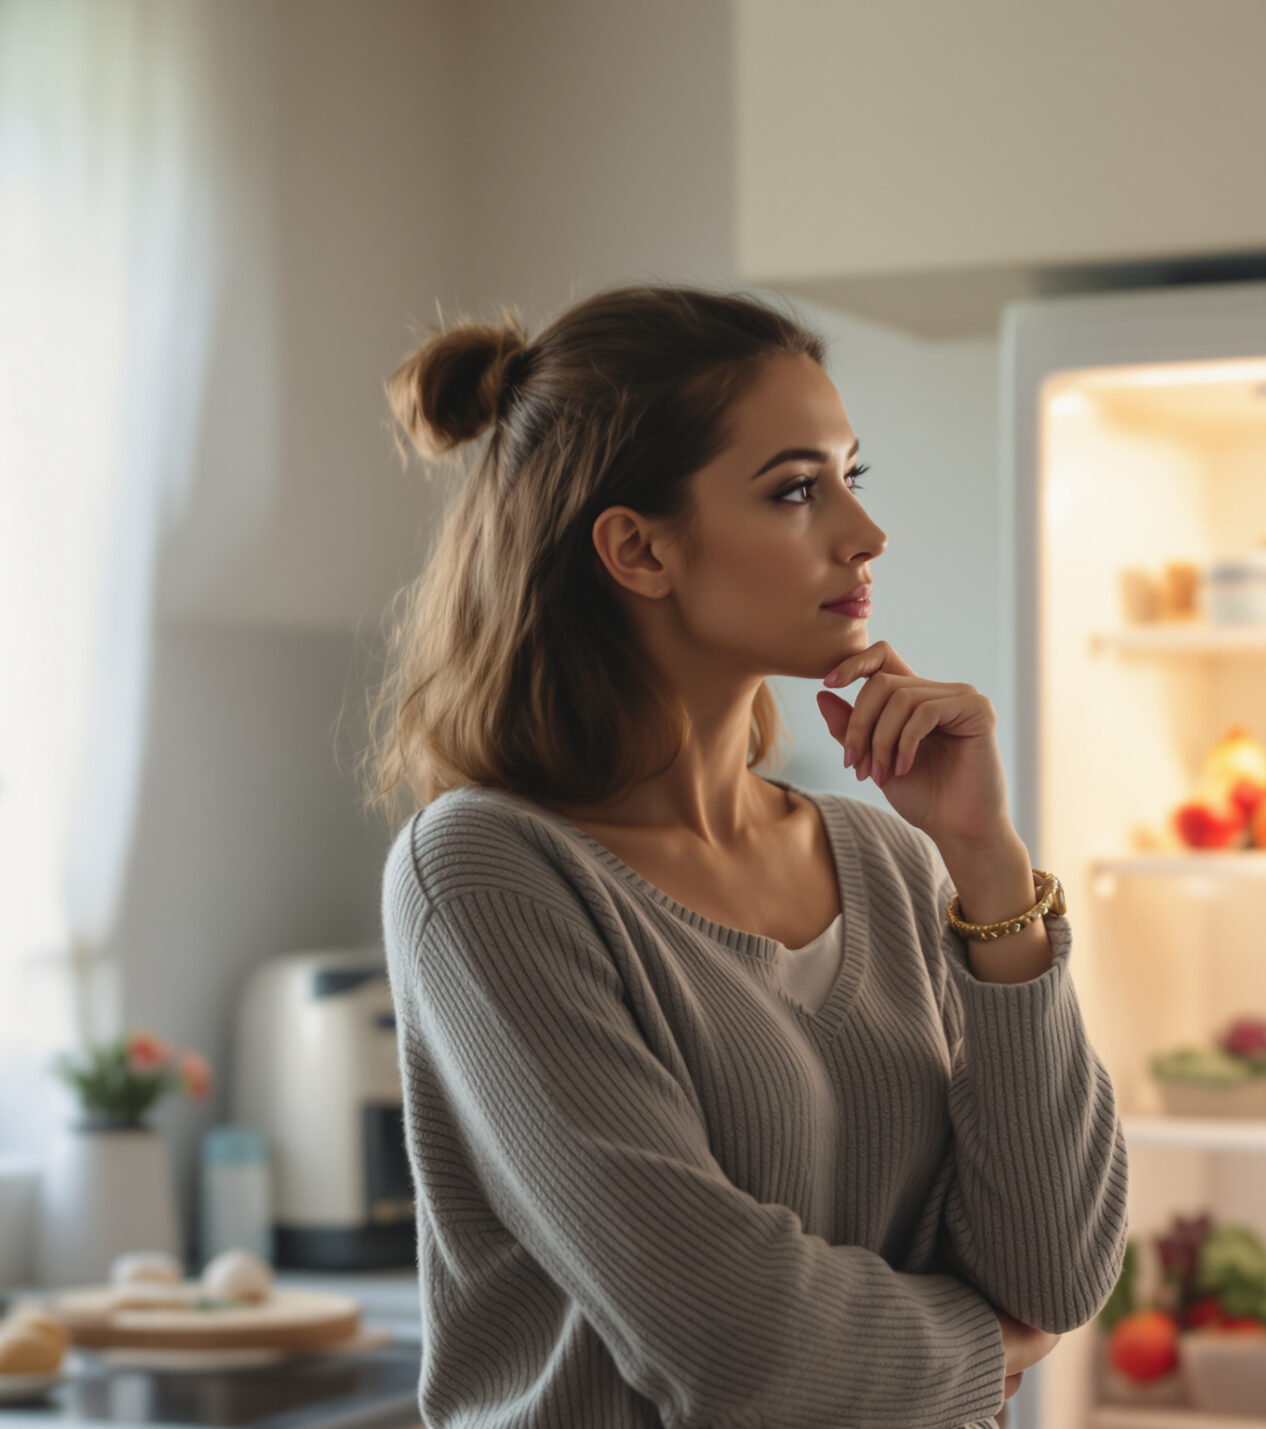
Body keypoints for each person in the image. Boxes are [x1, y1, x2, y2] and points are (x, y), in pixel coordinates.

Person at [364, 283, 1128, 1427]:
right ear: (637, 548)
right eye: (793, 491)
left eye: (850, 478)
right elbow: (738, 1346)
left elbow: (1058, 1278)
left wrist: (986, 862)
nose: (863, 535)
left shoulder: (890, 858)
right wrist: (981, 1347)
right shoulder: (487, 871)